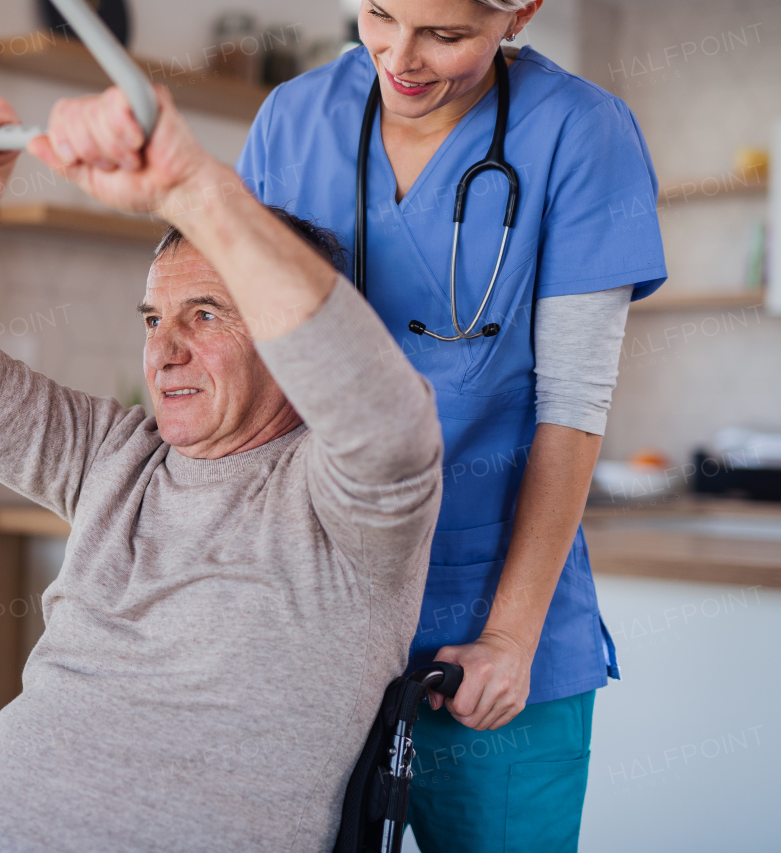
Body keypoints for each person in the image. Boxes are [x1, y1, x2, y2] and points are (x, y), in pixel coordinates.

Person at [0, 86, 443, 852]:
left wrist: (195, 188)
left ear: (283, 335)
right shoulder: (117, 456)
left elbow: (387, 421)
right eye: (153, 318)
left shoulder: (342, 508)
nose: (163, 349)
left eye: (204, 314)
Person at [234, 1, 667, 850]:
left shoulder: (583, 133)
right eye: (381, 13)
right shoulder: (292, 120)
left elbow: (572, 408)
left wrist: (508, 635)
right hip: (314, 615)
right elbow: (252, 356)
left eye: (445, 34)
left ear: (520, 14)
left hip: (492, 623)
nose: (400, 57)